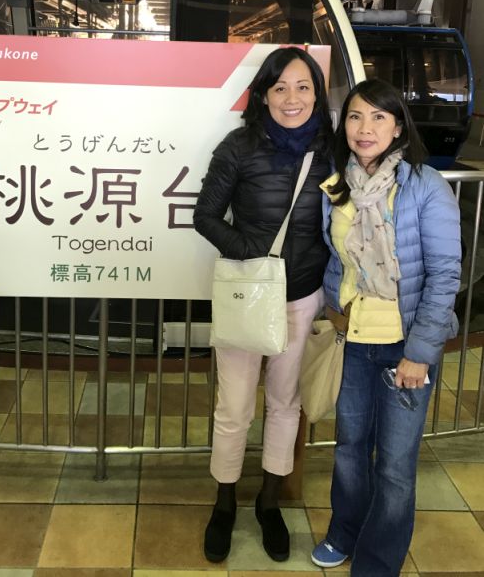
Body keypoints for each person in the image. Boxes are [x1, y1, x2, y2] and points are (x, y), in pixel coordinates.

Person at [311, 78, 462, 577]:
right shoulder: (338, 185)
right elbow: (337, 258)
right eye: (356, 116)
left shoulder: (425, 186)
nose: (365, 127)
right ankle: (344, 533)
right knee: (350, 448)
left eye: (379, 117)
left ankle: (377, 562)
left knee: (394, 464)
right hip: (354, 342)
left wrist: (419, 353)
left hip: (405, 346)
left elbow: (445, 274)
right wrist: (334, 306)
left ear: (398, 127)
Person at [194, 46, 334, 563]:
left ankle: (269, 502)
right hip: (248, 296)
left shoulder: (331, 151)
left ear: (317, 94)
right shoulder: (238, 147)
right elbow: (206, 216)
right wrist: (251, 255)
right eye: (280, 88)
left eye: (303, 87)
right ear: (264, 95)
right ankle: (224, 502)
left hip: (303, 296)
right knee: (234, 407)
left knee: (285, 403)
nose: (292, 98)